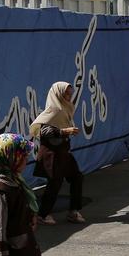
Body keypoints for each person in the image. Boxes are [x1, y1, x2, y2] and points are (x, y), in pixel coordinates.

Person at [30, 81, 85, 225]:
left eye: (70, 93)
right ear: (58, 93)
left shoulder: (64, 108)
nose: (68, 96)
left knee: (76, 177)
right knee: (55, 182)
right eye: (66, 93)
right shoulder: (54, 109)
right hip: (52, 154)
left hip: (63, 152)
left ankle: (73, 211)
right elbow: (43, 131)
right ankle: (43, 214)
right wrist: (64, 131)